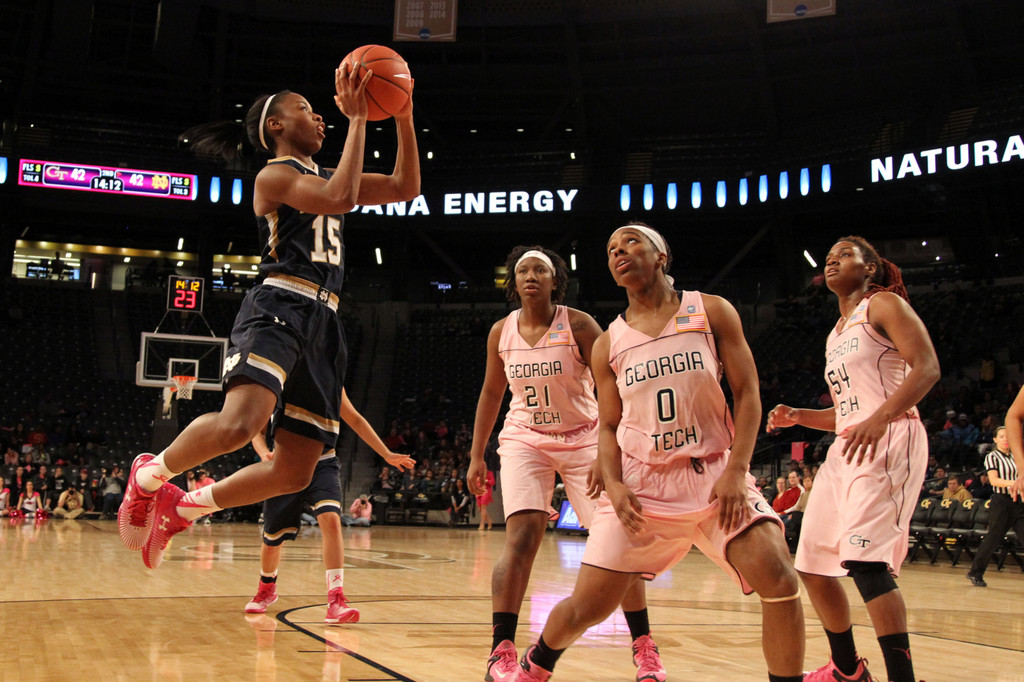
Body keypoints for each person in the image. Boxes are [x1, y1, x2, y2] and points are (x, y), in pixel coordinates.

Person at [117, 59, 420, 569]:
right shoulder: (274, 174)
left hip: (325, 323)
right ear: (276, 126)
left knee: (294, 474)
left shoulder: (327, 171)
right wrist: (361, 118)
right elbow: (339, 198)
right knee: (241, 424)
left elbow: (405, 187)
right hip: (278, 304)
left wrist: (405, 115)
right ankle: (148, 476)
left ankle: (184, 509)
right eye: (308, 109)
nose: (322, 117)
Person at [514, 224, 805, 682]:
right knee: (586, 609)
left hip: (713, 476)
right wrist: (614, 484)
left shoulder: (711, 311)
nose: (618, 252)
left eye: (630, 242)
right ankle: (536, 664)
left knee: (780, 578)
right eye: (611, 249)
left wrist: (738, 468)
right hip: (643, 486)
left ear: (661, 255)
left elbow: (748, 393)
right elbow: (607, 427)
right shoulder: (609, 342)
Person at [466, 244, 666, 682]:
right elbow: (490, 394)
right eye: (523, 271)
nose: (531, 276)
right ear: (513, 283)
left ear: (557, 280)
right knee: (520, 540)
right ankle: (501, 649)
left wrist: (606, 450)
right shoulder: (501, 331)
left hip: (584, 438)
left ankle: (644, 646)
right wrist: (477, 454)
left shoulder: (577, 323)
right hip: (526, 438)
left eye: (541, 270)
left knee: (618, 544)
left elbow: (612, 386)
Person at [767, 235, 940, 682]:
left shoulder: (884, 305)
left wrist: (881, 418)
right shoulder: (836, 333)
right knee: (812, 566)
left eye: (845, 255)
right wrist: (800, 415)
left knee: (865, 563)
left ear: (870, 268)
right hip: (849, 443)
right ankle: (848, 669)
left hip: (889, 437)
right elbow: (848, 412)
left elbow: (927, 367)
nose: (832, 261)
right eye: (828, 257)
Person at [245, 388, 414, 620]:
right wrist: (264, 452)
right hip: (284, 463)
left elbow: (354, 417)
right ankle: (267, 588)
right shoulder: (282, 375)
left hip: (322, 462)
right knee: (273, 537)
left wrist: (385, 453)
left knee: (332, 520)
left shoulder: (330, 374)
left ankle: (336, 599)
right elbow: (257, 428)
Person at [966, 425, 1024, 587]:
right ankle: (975, 572)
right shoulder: (992, 457)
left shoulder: (1016, 457)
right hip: (1002, 502)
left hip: (1019, 502)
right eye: (1002, 436)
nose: (1006, 439)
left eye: (1008, 436)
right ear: (995, 439)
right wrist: (1017, 483)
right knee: (993, 539)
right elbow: (994, 481)